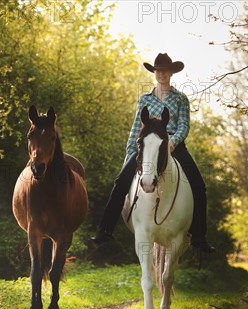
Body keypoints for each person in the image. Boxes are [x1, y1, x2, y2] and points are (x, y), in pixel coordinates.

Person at [91, 53, 215, 253]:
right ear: (154, 73)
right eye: (158, 70)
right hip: (146, 146)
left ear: (171, 73)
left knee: (198, 185)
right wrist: (129, 156)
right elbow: (135, 130)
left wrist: (172, 142)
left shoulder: (180, 98)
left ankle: (199, 236)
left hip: (173, 146)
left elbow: (184, 126)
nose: (161, 74)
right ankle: (105, 229)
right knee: (121, 181)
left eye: (165, 71)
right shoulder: (144, 99)